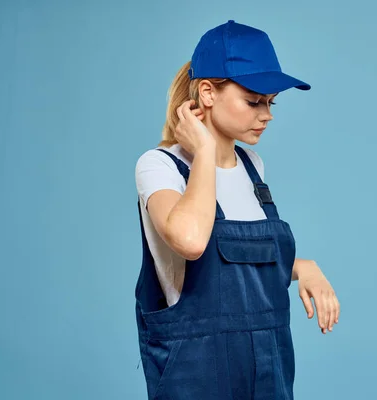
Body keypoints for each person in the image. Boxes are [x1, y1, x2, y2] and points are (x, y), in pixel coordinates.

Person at [134, 20, 340, 399]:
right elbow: (193, 242)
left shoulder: (253, 167)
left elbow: (243, 266)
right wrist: (205, 154)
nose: (267, 114)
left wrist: (300, 266)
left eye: (270, 102)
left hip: (269, 375)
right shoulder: (159, 167)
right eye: (253, 101)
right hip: (197, 377)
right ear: (208, 93)